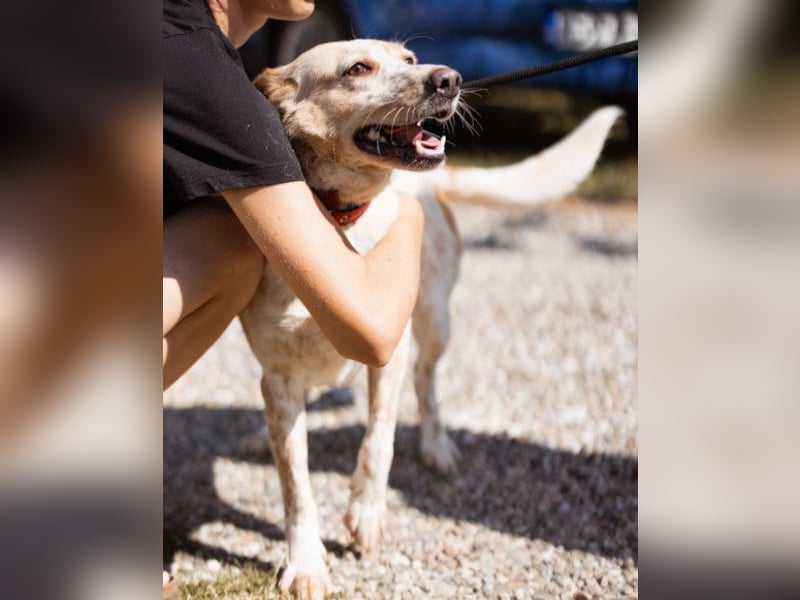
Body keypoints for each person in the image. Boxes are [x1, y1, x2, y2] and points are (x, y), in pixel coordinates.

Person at [163, 0, 425, 389]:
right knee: (231, 241)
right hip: (50, 306)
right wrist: (408, 212)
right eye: (360, 69)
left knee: (232, 246)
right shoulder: (206, 78)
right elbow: (372, 332)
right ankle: (70, 424)